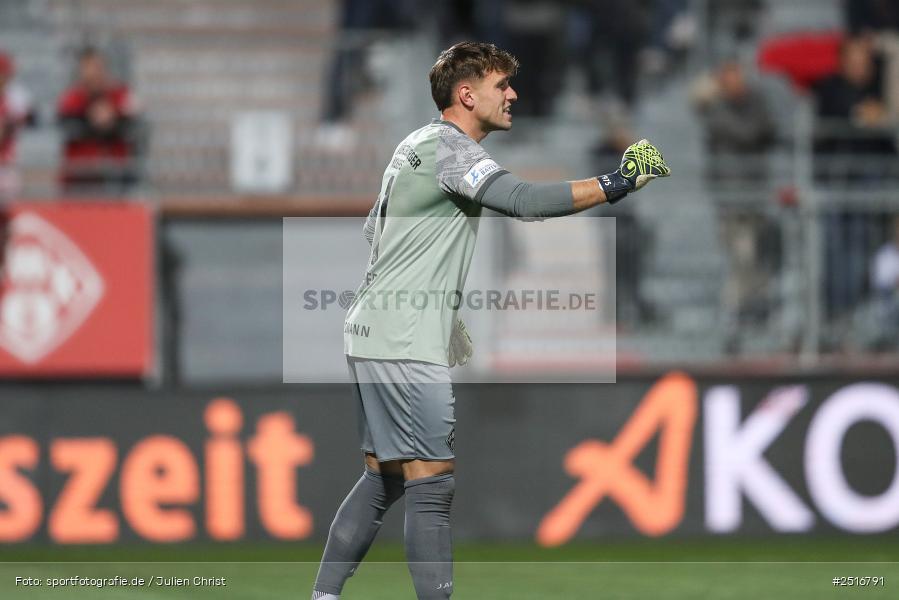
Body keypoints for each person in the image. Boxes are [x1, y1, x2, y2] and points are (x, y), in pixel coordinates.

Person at [310, 41, 670, 600]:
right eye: (502, 85)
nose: (513, 95)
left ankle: (324, 596)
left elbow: (375, 236)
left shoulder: (414, 145)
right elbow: (523, 201)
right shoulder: (451, 150)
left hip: (376, 330)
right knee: (432, 484)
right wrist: (614, 183)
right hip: (404, 340)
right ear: (466, 93)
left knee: (383, 479)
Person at [693, 60, 778, 347]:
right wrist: (712, 102)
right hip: (731, 201)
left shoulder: (754, 102)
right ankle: (735, 321)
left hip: (755, 196)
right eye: (728, 78)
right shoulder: (717, 111)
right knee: (740, 261)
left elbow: (766, 130)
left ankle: (753, 315)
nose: (735, 82)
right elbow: (746, 133)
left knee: (757, 260)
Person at [57, 47, 143, 193]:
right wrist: (91, 120)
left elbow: (135, 125)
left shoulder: (121, 94)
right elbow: (67, 126)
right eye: (87, 69)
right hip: (80, 178)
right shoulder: (72, 98)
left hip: (117, 176)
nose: (92, 74)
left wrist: (113, 119)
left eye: (96, 68)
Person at [0, 50, 35, 200]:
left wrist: (8, 125)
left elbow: (29, 120)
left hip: (7, 162)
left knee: (8, 210)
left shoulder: (16, 96)